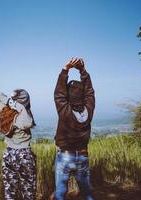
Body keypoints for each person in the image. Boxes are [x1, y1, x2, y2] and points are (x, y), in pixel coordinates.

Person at [53, 58, 95, 200]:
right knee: (87, 192)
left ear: (68, 97)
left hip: (65, 155)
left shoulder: (65, 111)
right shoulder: (88, 110)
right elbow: (90, 93)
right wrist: (82, 71)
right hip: (83, 154)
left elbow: (59, 94)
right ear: (82, 97)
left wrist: (65, 70)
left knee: (60, 192)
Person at [0, 89, 36, 200]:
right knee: (28, 190)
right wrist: (20, 107)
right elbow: (28, 123)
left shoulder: (4, 112)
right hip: (24, 155)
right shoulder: (21, 118)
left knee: (9, 190)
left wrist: (9, 101)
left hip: (8, 154)